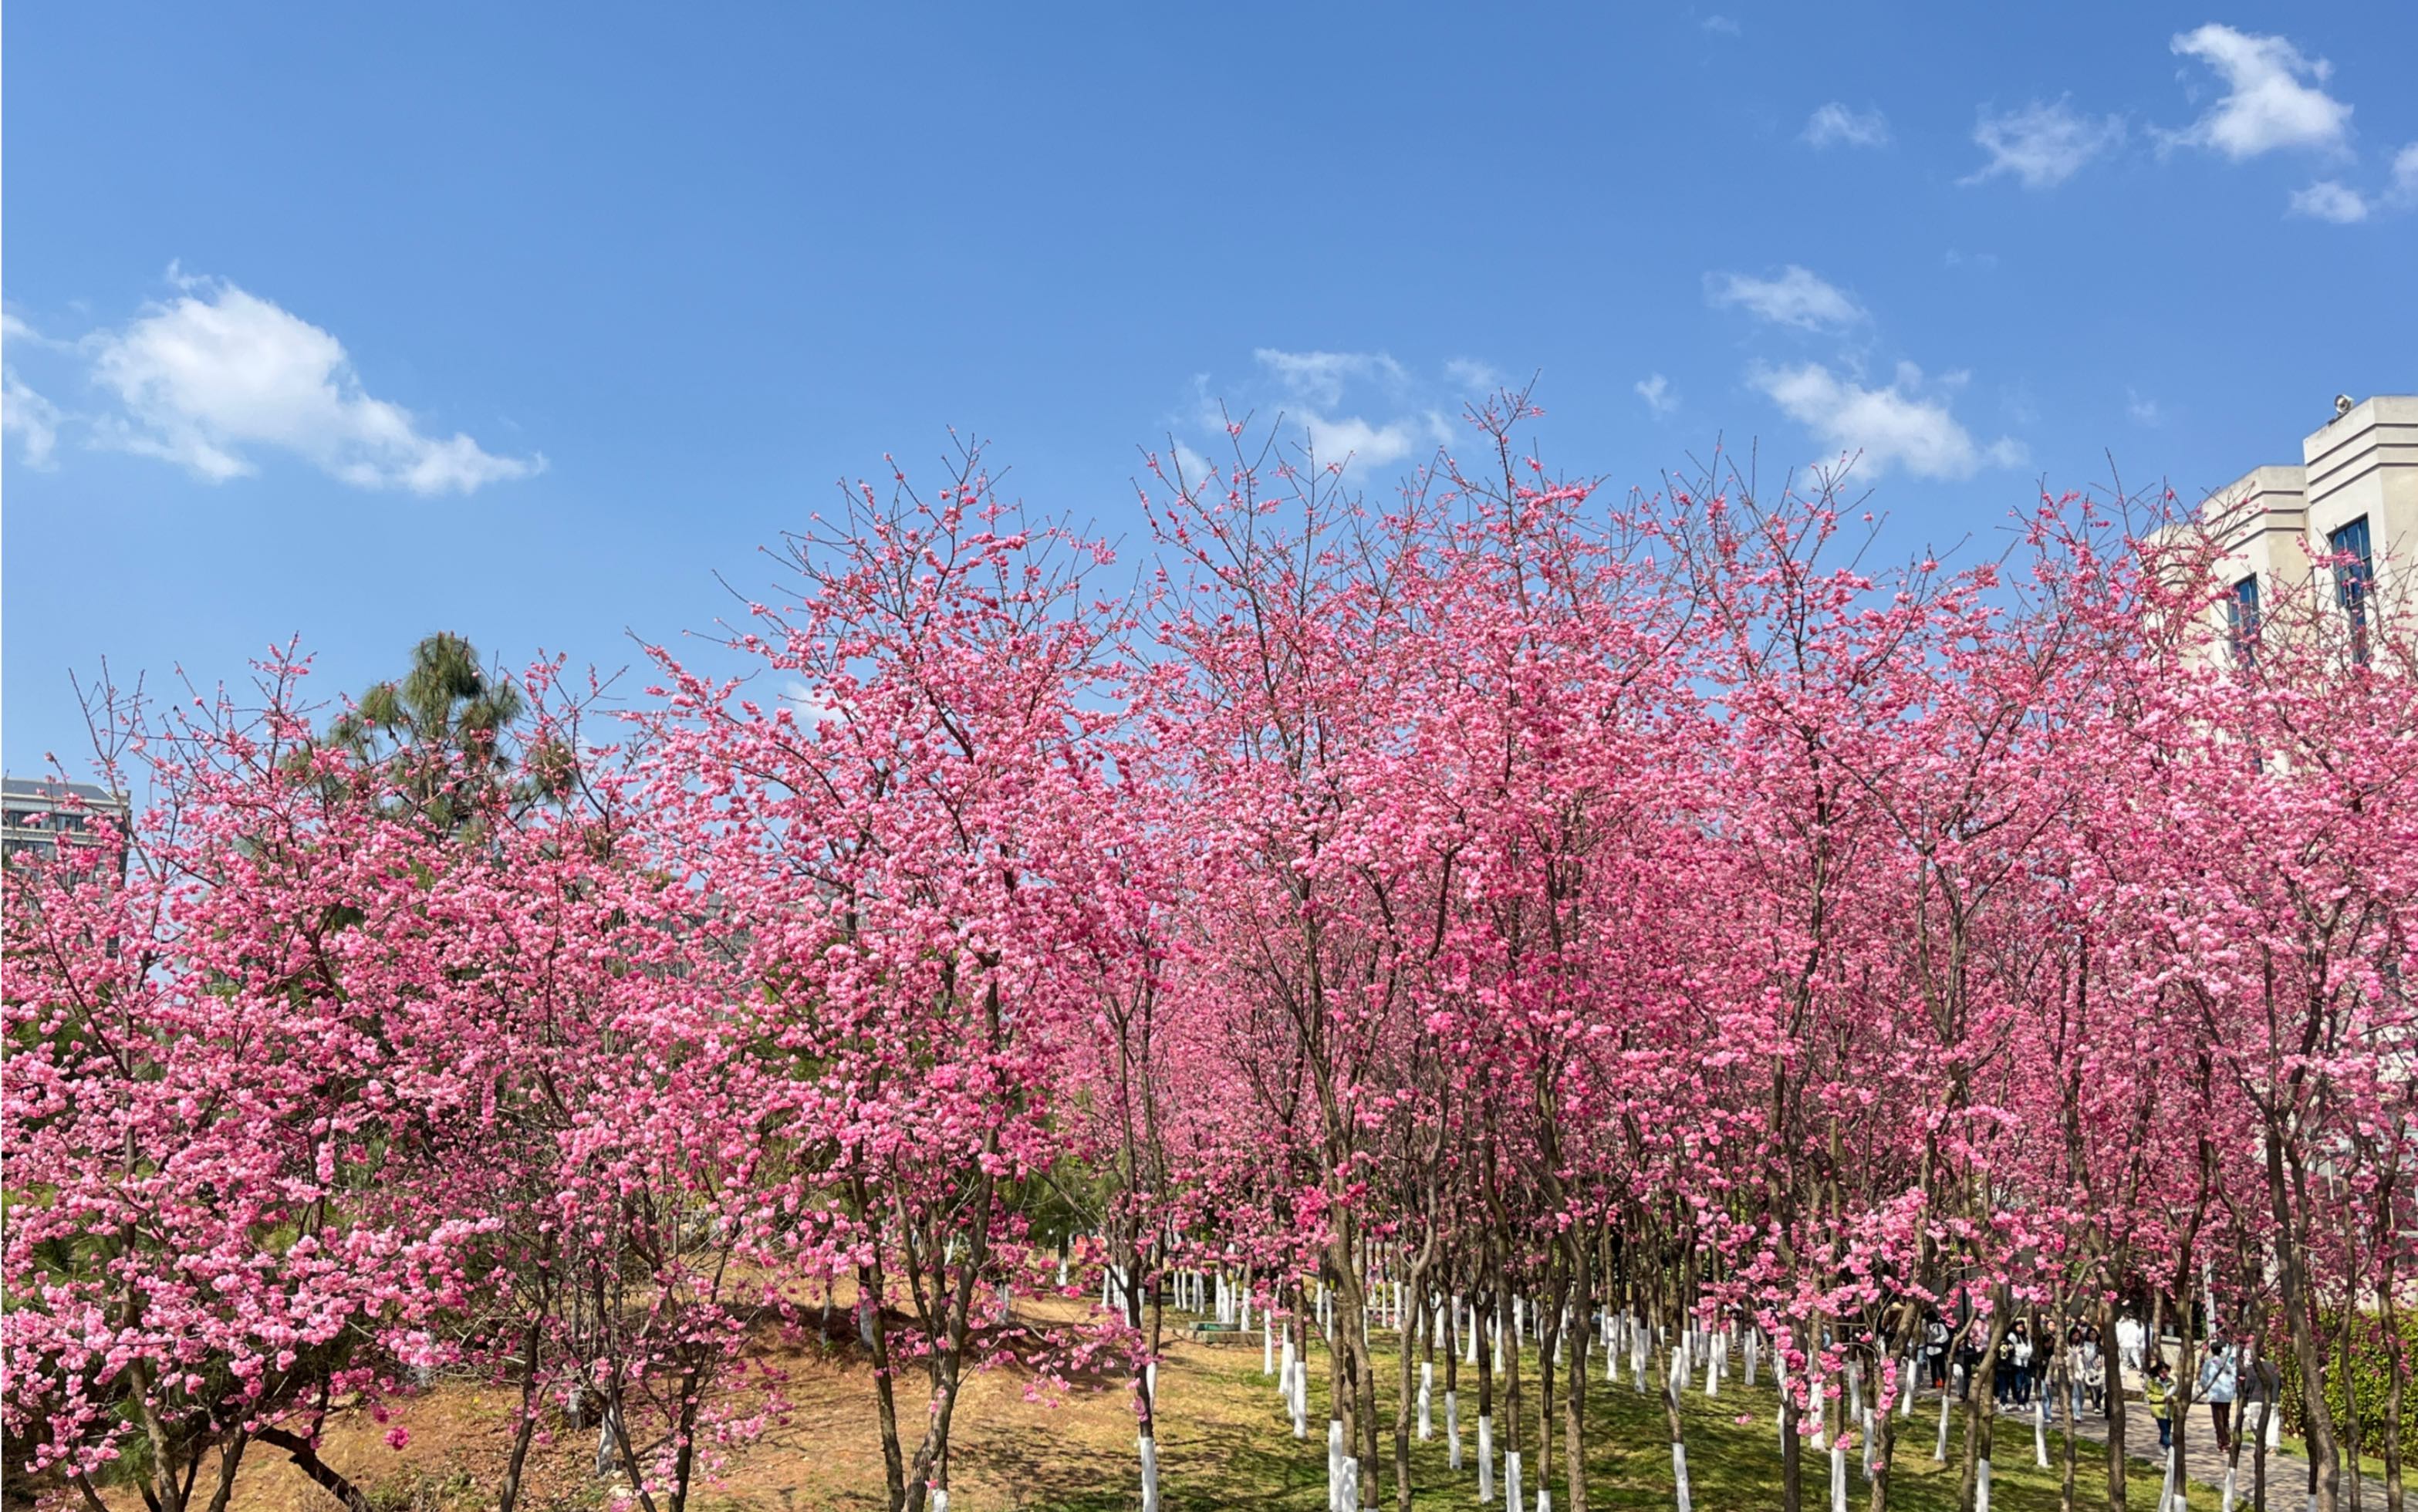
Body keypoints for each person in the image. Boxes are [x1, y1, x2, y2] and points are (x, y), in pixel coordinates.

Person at [2200, 1336, 2239, 1453]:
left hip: (2222, 1396)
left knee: (2222, 1420)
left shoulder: (2224, 1364)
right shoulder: (2213, 1363)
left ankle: (2225, 1441)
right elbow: (2204, 1379)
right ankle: (2224, 1442)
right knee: (2222, 1420)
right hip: (2220, 1395)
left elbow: (2204, 1379)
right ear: (2221, 1350)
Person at [2146, 1357, 2174, 1450]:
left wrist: (2172, 1399)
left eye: (2167, 1371)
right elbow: (2149, 1395)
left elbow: (2177, 1394)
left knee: (2167, 1429)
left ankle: (2162, 1444)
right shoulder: (2152, 1382)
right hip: (2158, 1409)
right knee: (2164, 1429)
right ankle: (2169, 1447)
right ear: (2158, 1372)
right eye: (2163, 1372)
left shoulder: (2171, 1381)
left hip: (2169, 1409)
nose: (2165, 1374)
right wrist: (2162, 1398)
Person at [1927, 1314, 1952, 1390]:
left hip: (1939, 1349)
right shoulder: (1927, 1326)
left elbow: (1945, 1336)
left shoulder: (1939, 1326)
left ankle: (1944, 1383)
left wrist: (1938, 1341)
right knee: (1932, 1367)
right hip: (1930, 1349)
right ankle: (1934, 1383)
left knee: (1941, 1367)